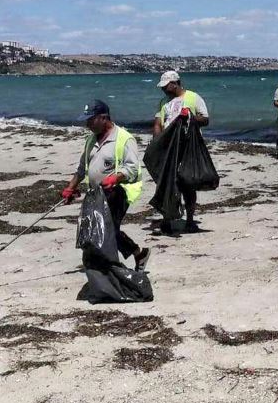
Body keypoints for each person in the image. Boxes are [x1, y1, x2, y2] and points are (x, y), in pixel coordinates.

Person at [61, 99, 151, 271]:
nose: (87, 124)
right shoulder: (90, 140)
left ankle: (110, 264)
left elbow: (132, 168)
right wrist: (70, 187)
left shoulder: (124, 139)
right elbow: (82, 168)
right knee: (101, 229)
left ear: (104, 118)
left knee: (106, 229)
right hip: (96, 193)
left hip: (119, 192)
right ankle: (138, 254)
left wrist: (115, 178)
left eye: (90, 120)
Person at [152, 70, 209, 232]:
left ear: (175, 83)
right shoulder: (164, 102)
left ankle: (190, 219)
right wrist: (157, 141)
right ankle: (168, 218)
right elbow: (158, 123)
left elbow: (205, 119)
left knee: (188, 184)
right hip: (169, 149)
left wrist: (190, 117)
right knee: (168, 184)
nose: (163, 89)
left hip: (188, 148)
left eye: (165, 86)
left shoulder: (193, 97)